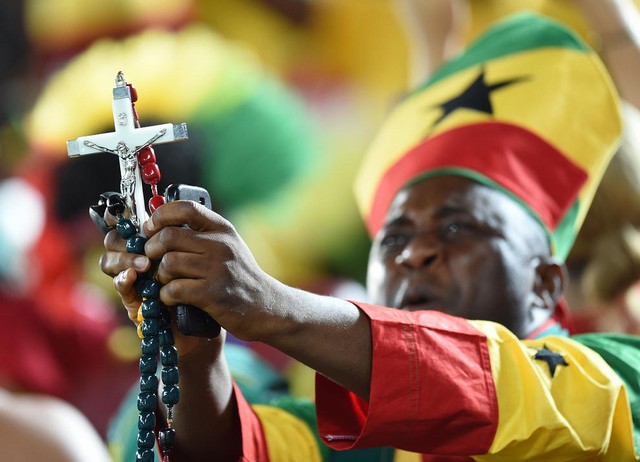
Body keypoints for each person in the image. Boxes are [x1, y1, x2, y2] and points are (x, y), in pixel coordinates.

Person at [99, 12, 640, 461]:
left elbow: (490, 383)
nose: (416, 253)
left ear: (545, 282)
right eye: (393, 238)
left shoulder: (619, 378)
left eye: (457, 227)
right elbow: (241, 450)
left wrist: (271, 305)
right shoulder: (361, 436)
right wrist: (194, 352)